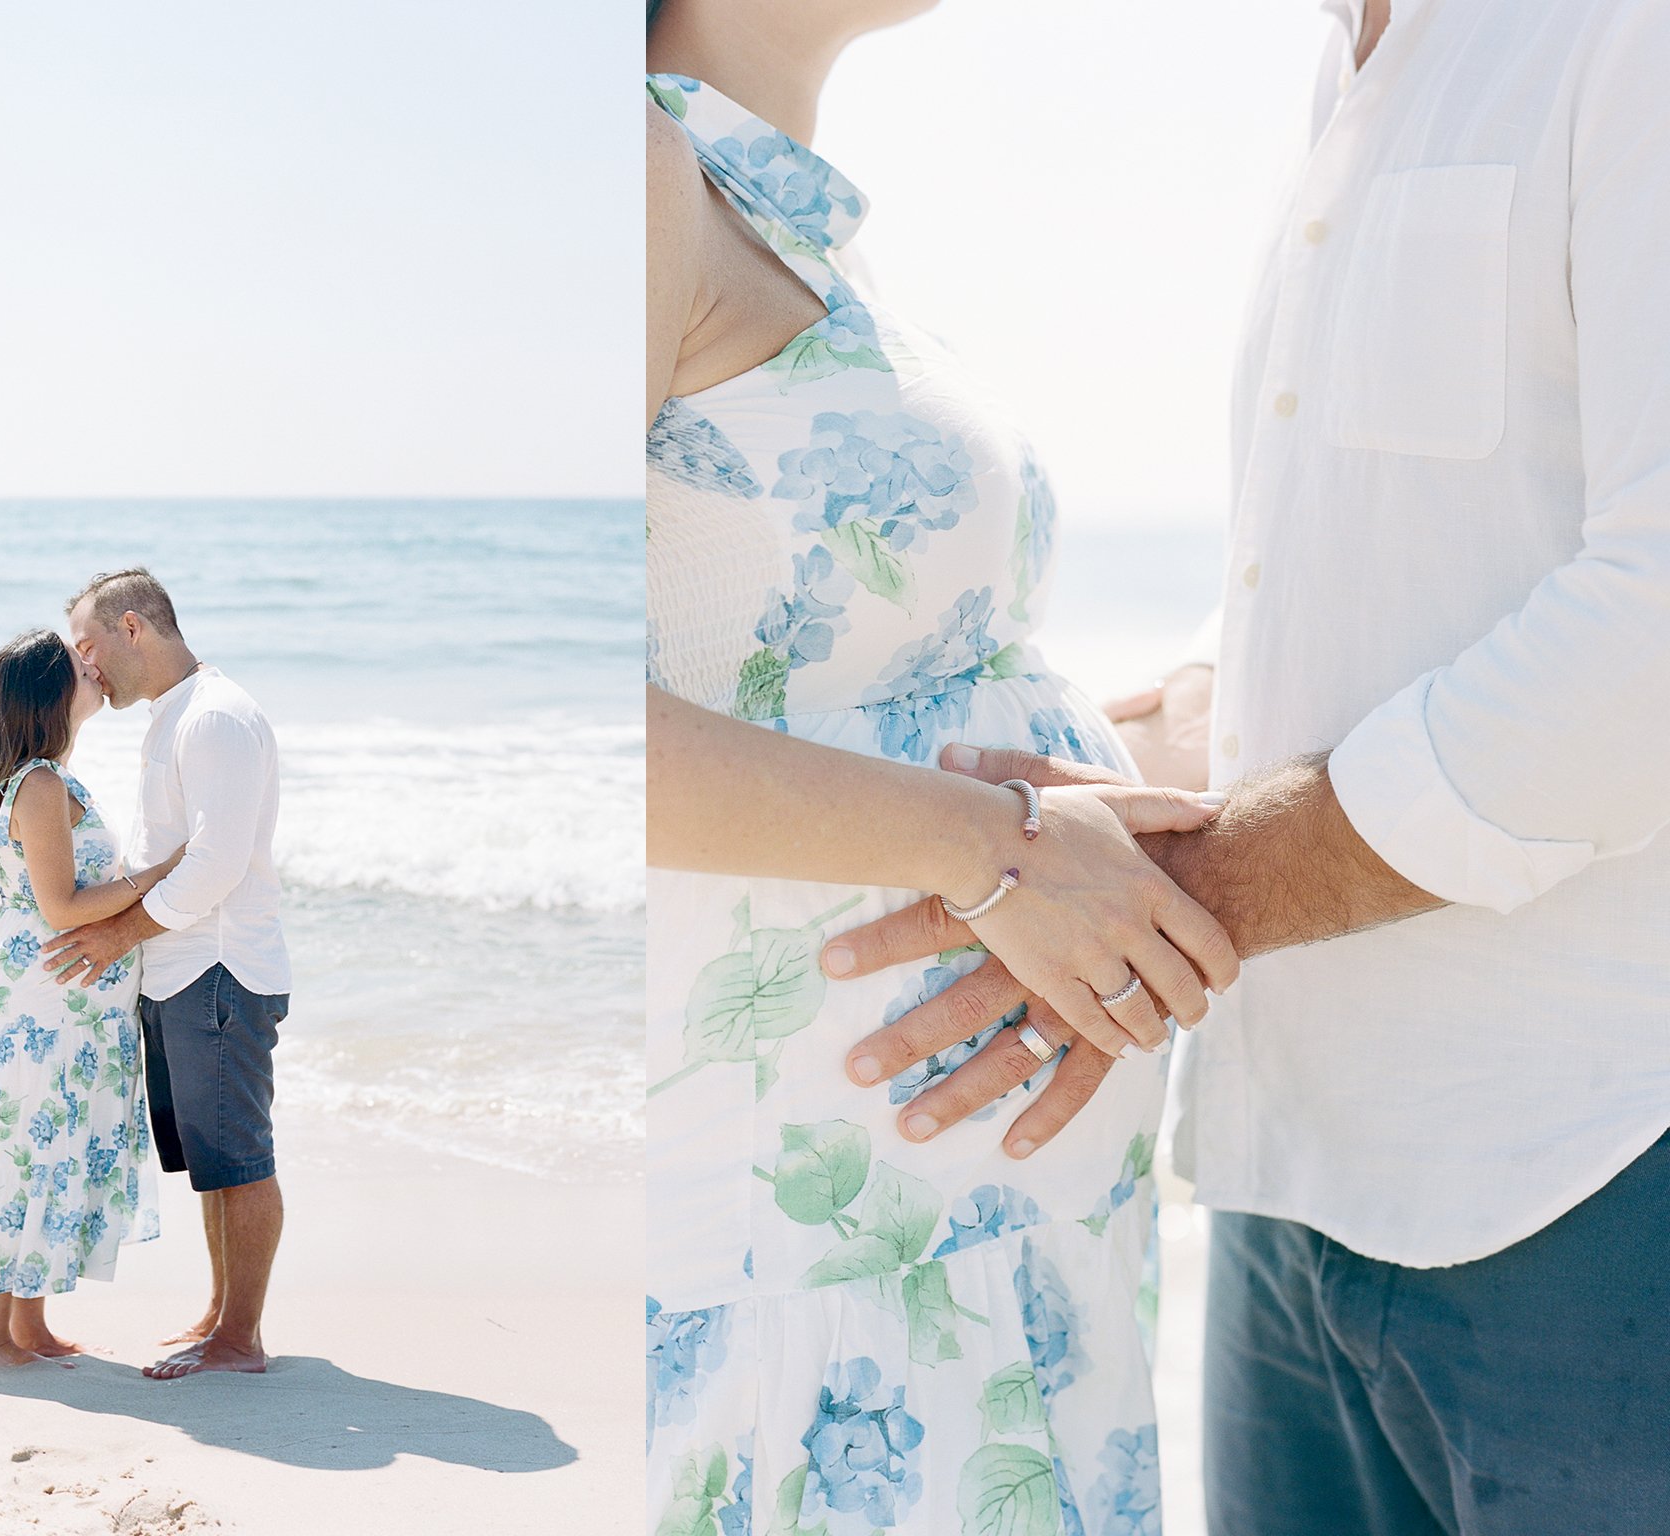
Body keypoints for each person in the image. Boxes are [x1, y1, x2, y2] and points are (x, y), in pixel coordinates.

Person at [829, 2, 1670, 1530]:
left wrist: (1174, 896)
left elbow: (1654, 639)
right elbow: (1373, 562)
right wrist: (1106, 780)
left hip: (1596, 1173)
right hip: (1289, 1176)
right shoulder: (1349, 70)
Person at [643, 2, 1241, 1530]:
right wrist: (1005, 852)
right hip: (826, 1242)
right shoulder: (632, 169)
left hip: (986, 1236)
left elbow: (850, 684)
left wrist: (1126, 777)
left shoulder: (777, 212)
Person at [0, 629, 171, 1367]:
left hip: (65, 1006)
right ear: (52, 694)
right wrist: (164, 873)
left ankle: (29, 1328)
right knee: (18, 1151)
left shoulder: (55, 778)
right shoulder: (41, 784)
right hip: (41, 1011)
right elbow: (63, 906)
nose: (97, 672)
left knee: (51, 1146)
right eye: (82, 669)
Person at [40, 568, 292, 1381]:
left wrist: (117, 935)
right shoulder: (177, 715)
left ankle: (239, 1339)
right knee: (213, 1162)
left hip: (217, 969)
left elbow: (215, 865)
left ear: (134, 627)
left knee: (240, 1158)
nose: (87, 664)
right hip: (183, 970)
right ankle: (223, 1315)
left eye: (90, 644)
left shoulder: (213, 717)